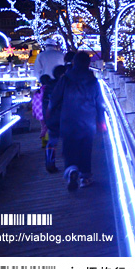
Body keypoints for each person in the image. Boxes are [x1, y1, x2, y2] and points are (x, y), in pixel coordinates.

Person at [49, 52, 105, 191]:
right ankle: (85, 176)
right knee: (86, 149)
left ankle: (71, 170)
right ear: (88, 64)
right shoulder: (93, 81)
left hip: (68, 119)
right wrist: (101, 120)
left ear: (74, 62)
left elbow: (54, 98)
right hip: (88, 120)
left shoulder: (66, 79)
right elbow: (99, 103)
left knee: (69, 148)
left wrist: (50, 113)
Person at [44, 65, 66, 173]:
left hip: (51, 118)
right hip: (64, 117)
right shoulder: (65, 86)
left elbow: (45, 103)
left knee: (52, 142)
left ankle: (50, 163)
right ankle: (69, 164)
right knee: (67, 140)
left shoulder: (49, 86)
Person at [33, 75, 51, 148]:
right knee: (48, 125)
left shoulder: (38, 91)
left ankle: (43, 141)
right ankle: (47, 139)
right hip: (47, 111)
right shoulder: (49, 90)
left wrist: (35, 113)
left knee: (43, 126)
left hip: (39, 112)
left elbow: (35, 103)